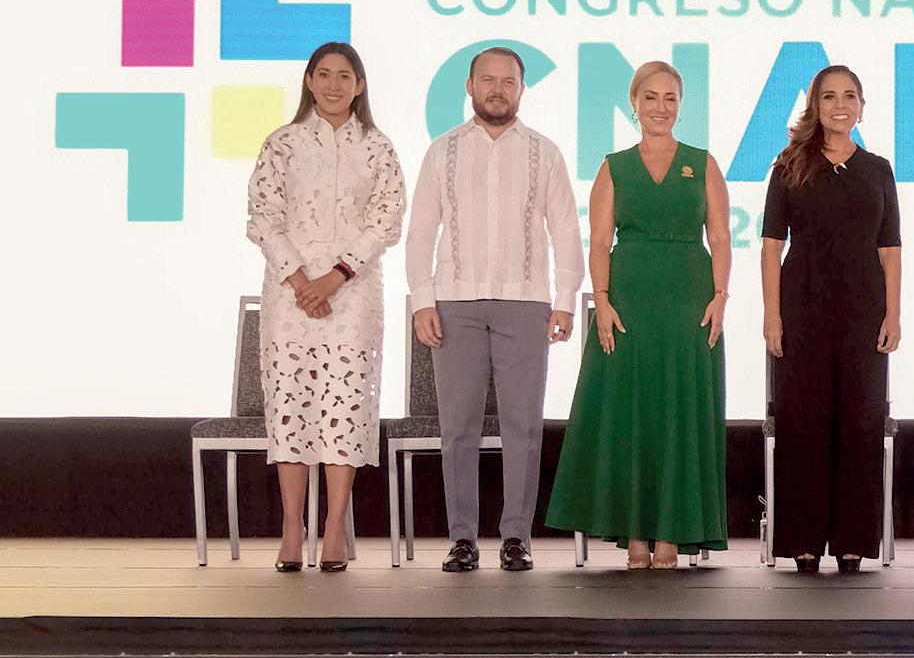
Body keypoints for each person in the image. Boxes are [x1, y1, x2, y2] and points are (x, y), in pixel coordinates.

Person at [545, 61, 732, 570]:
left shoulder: (702, 163)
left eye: (670, 98)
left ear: (681, 105)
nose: (660, 107)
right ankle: (634, 533)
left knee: (679, 411)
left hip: (689, 303)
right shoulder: (614, 167)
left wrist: (720, 295)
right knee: (630, 414)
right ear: (634, 103)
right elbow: (599, 241)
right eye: (651, 97)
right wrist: (602, 300)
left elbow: (719, 236)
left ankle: (672, 532)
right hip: (628, 303)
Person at [405, 47, 584, 572]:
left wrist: (565, 300)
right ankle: (462, 538)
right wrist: (422, 300)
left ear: (521, 89)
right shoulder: (442, 151)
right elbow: (421, 231)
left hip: (526, 304)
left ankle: (515, 537)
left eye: (508, 81)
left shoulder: (544, 152)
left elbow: (565, 229)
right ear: (470, 86)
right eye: (488, 80)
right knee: (458, 427)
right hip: (454, 302)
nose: (498, 89)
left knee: (522, 427)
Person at [247, 42, 405, 572]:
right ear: (309, 81)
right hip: (290, 295)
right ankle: (292, 528)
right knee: (291, 406)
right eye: (324, 74)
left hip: (352, 294)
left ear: (359, 86)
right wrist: (301, 281)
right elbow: (263, 216)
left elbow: (386, 220)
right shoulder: (282, 143)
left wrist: (335, 277)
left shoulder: (378, 147)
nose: (334, 85)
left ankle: (335, 527)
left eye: (345, 76)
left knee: (345, 407)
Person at [761, 65, 902, 573]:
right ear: (814, 106)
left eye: (849, 96)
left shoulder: (878, 169)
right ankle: (802, 540)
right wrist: (772, 315)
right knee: (803, 422)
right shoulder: (790, 165)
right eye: (828, 96)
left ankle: (852, 541)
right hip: (802, 308)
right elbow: (771, 246)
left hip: (865, 311)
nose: (839, 105)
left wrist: (894, 312)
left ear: (861, 106)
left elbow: (890, 248)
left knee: (860, 423)